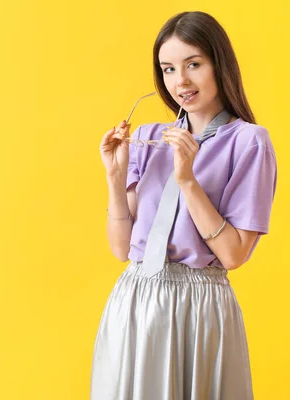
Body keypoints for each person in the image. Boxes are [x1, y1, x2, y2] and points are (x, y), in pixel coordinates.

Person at [91, 11, 277, 400]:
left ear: (218, 63)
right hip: (135, 300)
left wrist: (188, 180)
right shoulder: (148, 137)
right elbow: (121, 249)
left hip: (199, 305)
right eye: (168, 68)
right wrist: (114, 176)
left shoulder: (249, 143)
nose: (181, 82)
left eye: (193, 64)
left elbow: (233, 254)